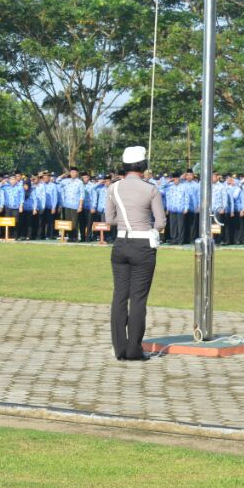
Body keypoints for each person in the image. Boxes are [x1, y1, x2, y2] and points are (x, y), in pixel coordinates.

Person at [106, 146, 165, 361]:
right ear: (143, 166)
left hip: (121, 242)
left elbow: (109, 219)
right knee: (138, 299)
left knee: (120, 296)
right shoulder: (150, 189)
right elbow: (160, 222)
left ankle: (119, 348)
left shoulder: (114, 188)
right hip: (142, 245)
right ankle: (134, 349)